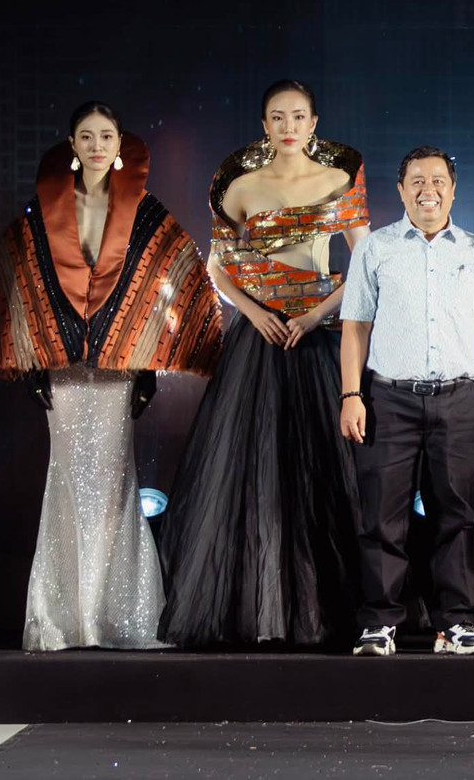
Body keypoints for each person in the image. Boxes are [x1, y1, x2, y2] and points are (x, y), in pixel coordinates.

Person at [0, 102, 222, 650]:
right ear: (71, 144)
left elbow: (164, 281)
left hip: (117, 369)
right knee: (64, 479)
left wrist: (148, 364)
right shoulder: (45, 210)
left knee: (114, 484)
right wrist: (32, 359)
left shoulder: (143, 210)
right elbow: (21, 280)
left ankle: (117, 617)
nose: (97, 146)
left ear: (119, 144)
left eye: (106, 136)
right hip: (63, 369)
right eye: (86, 136)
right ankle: (63, 619)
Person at [159, 79, 369, 647]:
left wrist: (314, 315)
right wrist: (254, 314)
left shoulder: (338, 181)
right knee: (254, 472)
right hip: (259, 341)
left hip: (318, 338)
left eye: (298, 116)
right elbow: (218, 267)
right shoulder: (242, 187)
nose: (288, 126)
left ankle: (324, 611)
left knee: (319, 470)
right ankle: (257, 613)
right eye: (278, 117)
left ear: (314, 123)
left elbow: (367, 265)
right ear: (265, 125)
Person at [339, 146, 474, 657]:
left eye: (438, 180)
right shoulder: (375, 248)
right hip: (387, 399)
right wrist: (351, 395)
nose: (428, 190)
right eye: (416, 180)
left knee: (455, 516)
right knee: (382, 517)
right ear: (401, 190)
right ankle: (379, 624)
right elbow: (355, 329)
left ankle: (456, 623)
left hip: (459, 399)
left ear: (453, 190)